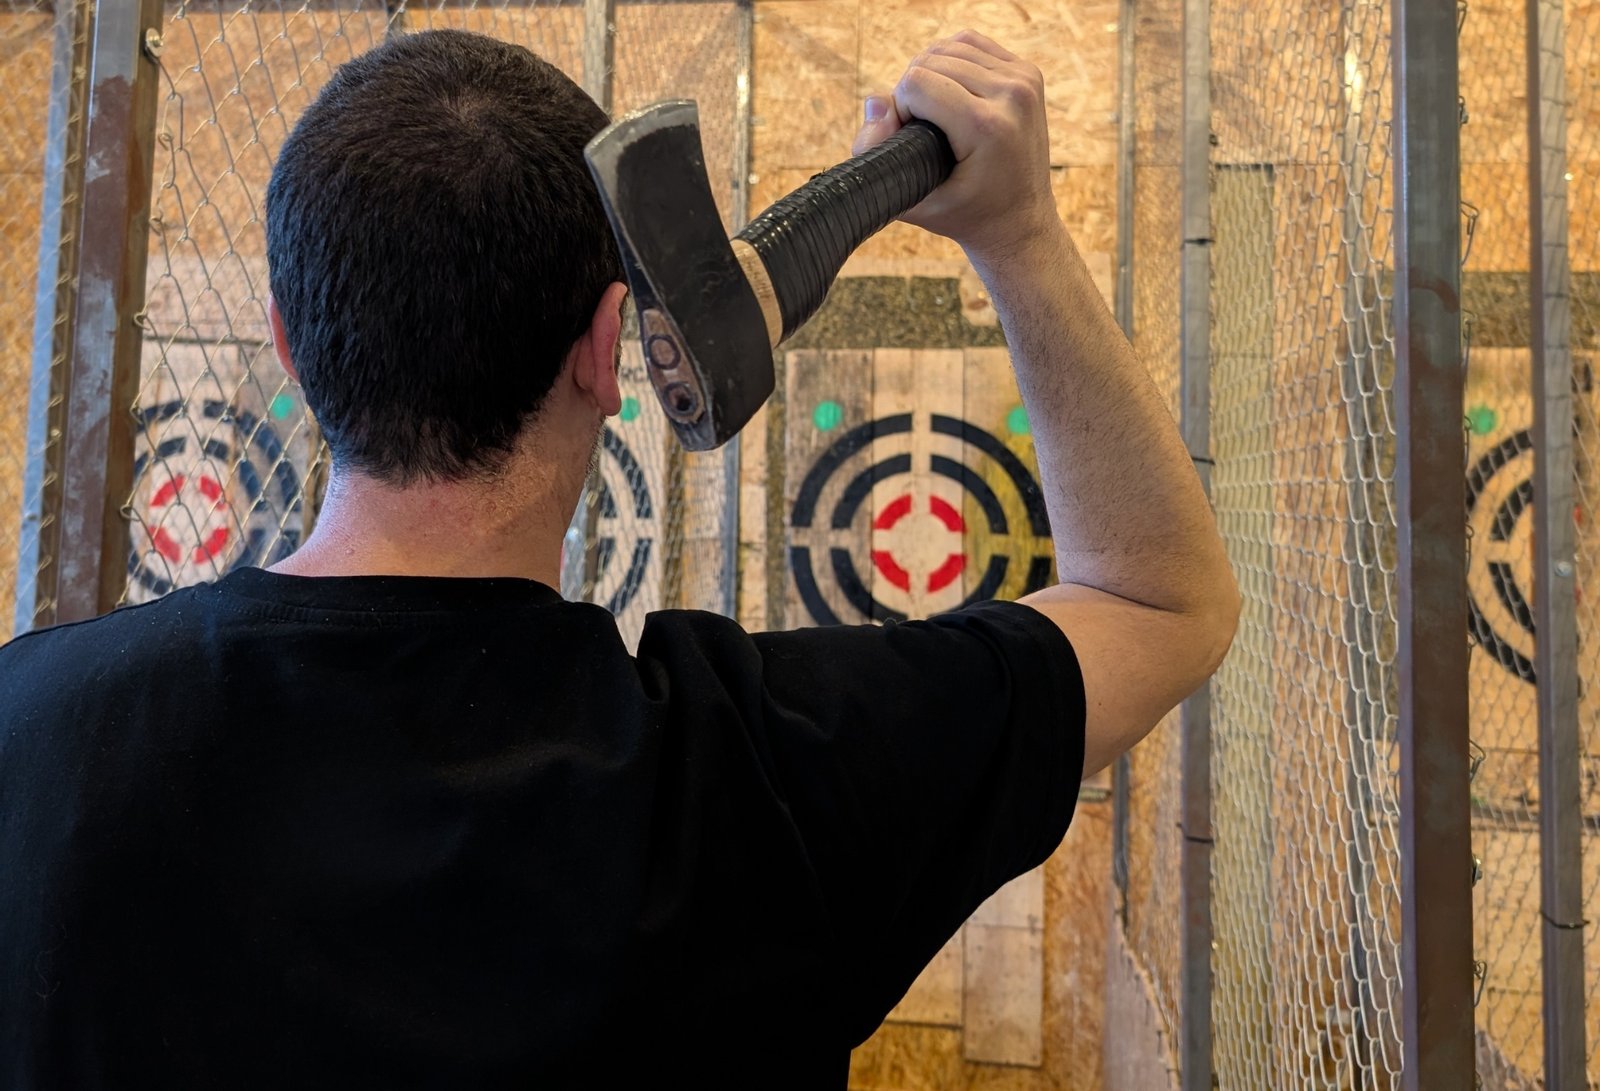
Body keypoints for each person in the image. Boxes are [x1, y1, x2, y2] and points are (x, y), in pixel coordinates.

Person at [0, 27, 1238, 1089]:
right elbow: (1162, 597)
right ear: (611, 347)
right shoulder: (763, 785)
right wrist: (1017, 233)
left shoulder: (30, 729)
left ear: (288, 335)